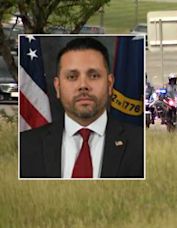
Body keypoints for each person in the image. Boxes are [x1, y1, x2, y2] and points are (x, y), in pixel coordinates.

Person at [20, 37, 144, 179]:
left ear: (109, 84)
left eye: (94, 76)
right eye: (72, 77)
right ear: (57, 86)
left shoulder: (141, 145)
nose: (83, 85)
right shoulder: (25, 147)